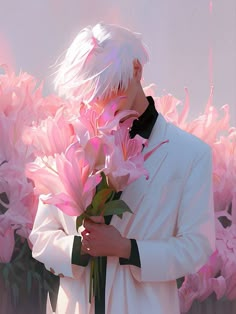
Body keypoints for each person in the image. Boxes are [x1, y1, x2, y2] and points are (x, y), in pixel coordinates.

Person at [29, 23, 215, 314]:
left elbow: (196, 247)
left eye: (112, 85)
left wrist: (127, 249)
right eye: (93, 88)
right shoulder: (66, 144)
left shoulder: (190, 154)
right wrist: (80, 248)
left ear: (137, 70)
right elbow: (41, 237)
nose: (103, 100)